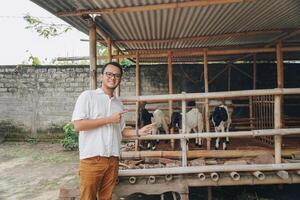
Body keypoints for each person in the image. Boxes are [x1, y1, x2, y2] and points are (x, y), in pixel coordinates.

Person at [72, 62, 153, 200]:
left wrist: (139, 132)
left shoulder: (118, 103)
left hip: (113, 160)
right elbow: (78, 125)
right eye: (109, 74)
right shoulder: (88, 96)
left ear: (120, 79)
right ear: (102, 76)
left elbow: (121, 131)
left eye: (117, 75)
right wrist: (109, 119)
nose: (112, 78)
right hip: (92, 158)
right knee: (87, 197)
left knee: (106, 197)